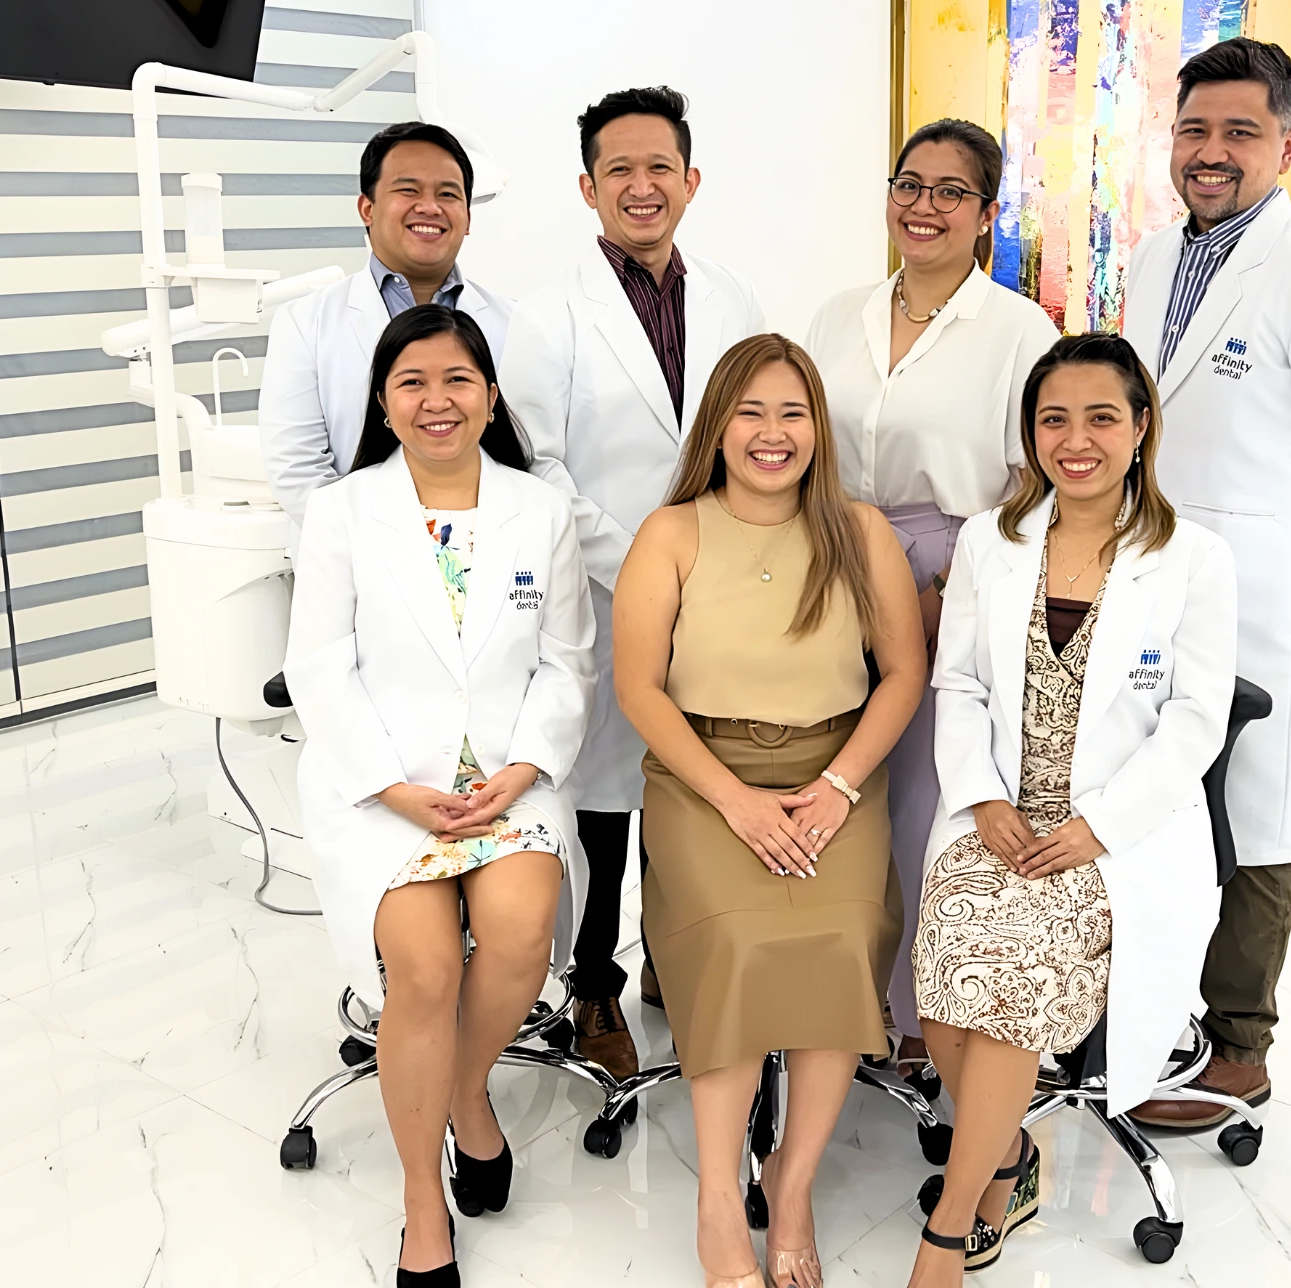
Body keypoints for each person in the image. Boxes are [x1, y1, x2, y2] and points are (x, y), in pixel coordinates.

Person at [908, 334, 1237, 1284]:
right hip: (1000, 812)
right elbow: (959, 684)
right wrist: (979, 798)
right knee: (942, 992)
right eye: (1055, 418)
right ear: (1031, 433)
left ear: (1141, 430)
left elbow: (1194, 722)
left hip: (1111, 838)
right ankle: (1008, 1153)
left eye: (1102, 417)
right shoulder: (990, 542)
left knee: (1005, 989)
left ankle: (950, 1227)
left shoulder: (1193, 560)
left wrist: (1095, 826)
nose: (1076, 439)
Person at [1118, 38, 1291, 1126]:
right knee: (1152, 791)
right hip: (1147, 579)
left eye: (1239, 131)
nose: (1211, 151)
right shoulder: (1149, 262)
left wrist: (1261, 527)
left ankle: (1239, 1042)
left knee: (1252, 802)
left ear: (1288, 141)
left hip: (1253, 588)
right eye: (1194, 129)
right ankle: (1150, 1010)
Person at [285, 305, 595, 1287]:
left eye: (457, 380)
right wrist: (396, 785)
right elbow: (319, 670)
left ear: (490, 395)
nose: (436, 399)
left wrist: (519, 770)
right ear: (384, 400)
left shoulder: (537, 510)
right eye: (412, 381)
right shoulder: (341, 512)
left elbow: (566, 663)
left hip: (507, 775)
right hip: (382, 783)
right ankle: (425, 1198)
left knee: (518, 932)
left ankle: (463, 1087)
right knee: (420, 970)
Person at [614, 335, 926, 1288]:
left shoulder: (859, 529)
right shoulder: (671, 532)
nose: (772, 433)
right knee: (741, 947)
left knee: (838, 944)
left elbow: (904, 673)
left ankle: (790, 1187)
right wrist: (737, 802)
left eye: (793, 413)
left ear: (818, 430)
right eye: (750, 412)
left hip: (836, 775)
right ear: (717, 425)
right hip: (704, 778)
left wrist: (835, 790)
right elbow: (640, 690)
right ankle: (719, 1203)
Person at [502, 85, 767, 1081]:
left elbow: (762, 431)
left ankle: (670, 958)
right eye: (619, 169)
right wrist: (647, 568)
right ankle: (592, 982)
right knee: (607, 798)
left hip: (726, 587)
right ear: (587, 186)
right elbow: (539, 470)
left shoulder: (735, 296)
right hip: (609, 590)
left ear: (690, 181)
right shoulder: (544, 314)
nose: (640, 185)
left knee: (697, 782)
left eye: (659, 167)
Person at [802, 119, 1059, 1082]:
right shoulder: (837, 316)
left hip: (952, 573)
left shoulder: (1018, 330)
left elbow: (1029, 484)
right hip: (829, 558)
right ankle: (837, 995)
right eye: (911, 184)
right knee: (836, 781)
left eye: (953, 192)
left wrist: (942, 594)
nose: (925, 206)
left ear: (987, 216)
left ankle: (917, 1016)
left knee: (919, 795)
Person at [261, 120, 513, 527]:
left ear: (467, 217)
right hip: (355, 566)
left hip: (490, 550)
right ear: (367, 207)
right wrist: (396, 550)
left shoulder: (515, 323)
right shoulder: (304, 323)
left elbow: (525, 454)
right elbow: (298, 470)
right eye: (408, 190)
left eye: (448, 194)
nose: (429, 207)